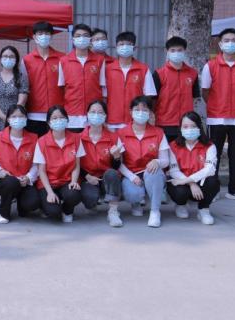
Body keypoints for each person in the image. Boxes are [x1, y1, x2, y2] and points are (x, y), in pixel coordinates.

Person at [201, 28, 235, 204]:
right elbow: (205, 91)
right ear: (220, 44)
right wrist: (216, 105)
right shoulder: (210, 66)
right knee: (213, 155)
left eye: (234, 40)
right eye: (226, 40)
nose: (230, 43)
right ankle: (213, 189)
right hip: (216, 117)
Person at [117, 96, 169, 228]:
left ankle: (155, 211)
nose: (140, 113)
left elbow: (165, 161)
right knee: (133, 194)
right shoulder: (121, 133)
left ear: (150, 113)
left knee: (154, 173)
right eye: (137, 109)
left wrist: (157, 161)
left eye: (145, 110)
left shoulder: (158, 132)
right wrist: (131, 177)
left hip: (151, 172)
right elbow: (118, 163)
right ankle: (136, 203)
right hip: (132, 174)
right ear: (131, 112)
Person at [0, 105, 38, 224]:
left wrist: (29, 177)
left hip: (24, 181)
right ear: (8, 119)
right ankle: (4, 212)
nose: (17, 119)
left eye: (21, 116)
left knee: (32, 203)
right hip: (5, 180)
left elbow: (37, 164)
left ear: (26, 119)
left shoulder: (34, 139)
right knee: (11, 183)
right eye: (14, 116)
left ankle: (21, 205)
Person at [33, 105, 85, 223]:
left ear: (67, 120)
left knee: (74, 194)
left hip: (66, 181)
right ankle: (45, 204)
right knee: (53, 213)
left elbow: (76, 165)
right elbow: (41, 171)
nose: (58, 120)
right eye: (54, 118)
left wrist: (74, 181)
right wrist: (50, 192)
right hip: (49, 183)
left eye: (61, 117)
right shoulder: (41, 141)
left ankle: (67, 211)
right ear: (49, 122)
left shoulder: (76, 138)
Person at [167, 112, 220, 225]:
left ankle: (203, 209)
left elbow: (210, 169)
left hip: (199, 183)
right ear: (180, 128)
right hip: (182, 182)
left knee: (213, 181)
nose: (189, 129)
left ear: (199, 127)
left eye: (193, 126)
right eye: (185, 126)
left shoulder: (209, 146)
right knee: (180, 193)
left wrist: (189, 180)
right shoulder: (173, 146)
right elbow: (173, 170)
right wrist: (192, 184)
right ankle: (180, 205)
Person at [80, 100, 124, 227]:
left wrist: (116, 157)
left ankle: (113, 211)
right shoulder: (79, 138)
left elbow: (116, 167)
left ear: (105, 116)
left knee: (112, 173)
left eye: (100, 112)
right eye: (93, 112)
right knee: (90, 198)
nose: (96, 115)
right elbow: (75, 164)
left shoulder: (114, 137)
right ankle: (92, 203)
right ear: (87, 114)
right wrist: (87, 176)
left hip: (106, 178)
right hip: (88, 178)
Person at [103, 31, 157, 130]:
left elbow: (148, 96)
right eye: (121, 44)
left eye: (128, 44)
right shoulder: (107, 69)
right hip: (112, 121)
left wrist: (144, 116)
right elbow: (104, 96)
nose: (125, 47)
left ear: (134, 48)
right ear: (116, 47)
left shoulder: (143, 69)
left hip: (136, 121)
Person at [59, 24, 106, 132]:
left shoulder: (99, 60)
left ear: (90, 39)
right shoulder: (64, 61)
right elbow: (61, 88)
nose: (82, 38)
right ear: (73, 39)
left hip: (94, 115)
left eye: (85, 35)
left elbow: (103, 89)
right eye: (78, 36)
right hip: (72, 115)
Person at [153, 36, 200, 142]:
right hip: (164, 123)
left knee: (184, 152)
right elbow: (153, 100)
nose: (176, 53)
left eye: (180, 50)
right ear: (167, 52)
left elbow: (194, 98)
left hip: (186, 124)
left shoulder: (193, 73)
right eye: (173, 50)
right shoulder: (159, 74)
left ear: (185, 51)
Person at [23, 21, 63, 137]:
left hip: (57, 114)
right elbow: (24, 86)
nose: (44, 36)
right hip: (34, 114)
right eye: (40, 33)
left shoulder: (62, 58)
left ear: (51, 36)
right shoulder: (26, 60)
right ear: (34, 37)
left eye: (47, 33)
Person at [0, 46, 29, 134]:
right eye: (5, 56)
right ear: (0, 59)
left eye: (11, 56)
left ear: (16, 59)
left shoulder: (21, 78)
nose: (8, 59)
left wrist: (12, 117)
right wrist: (3, 117)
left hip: (16, 120)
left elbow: (22, 101)